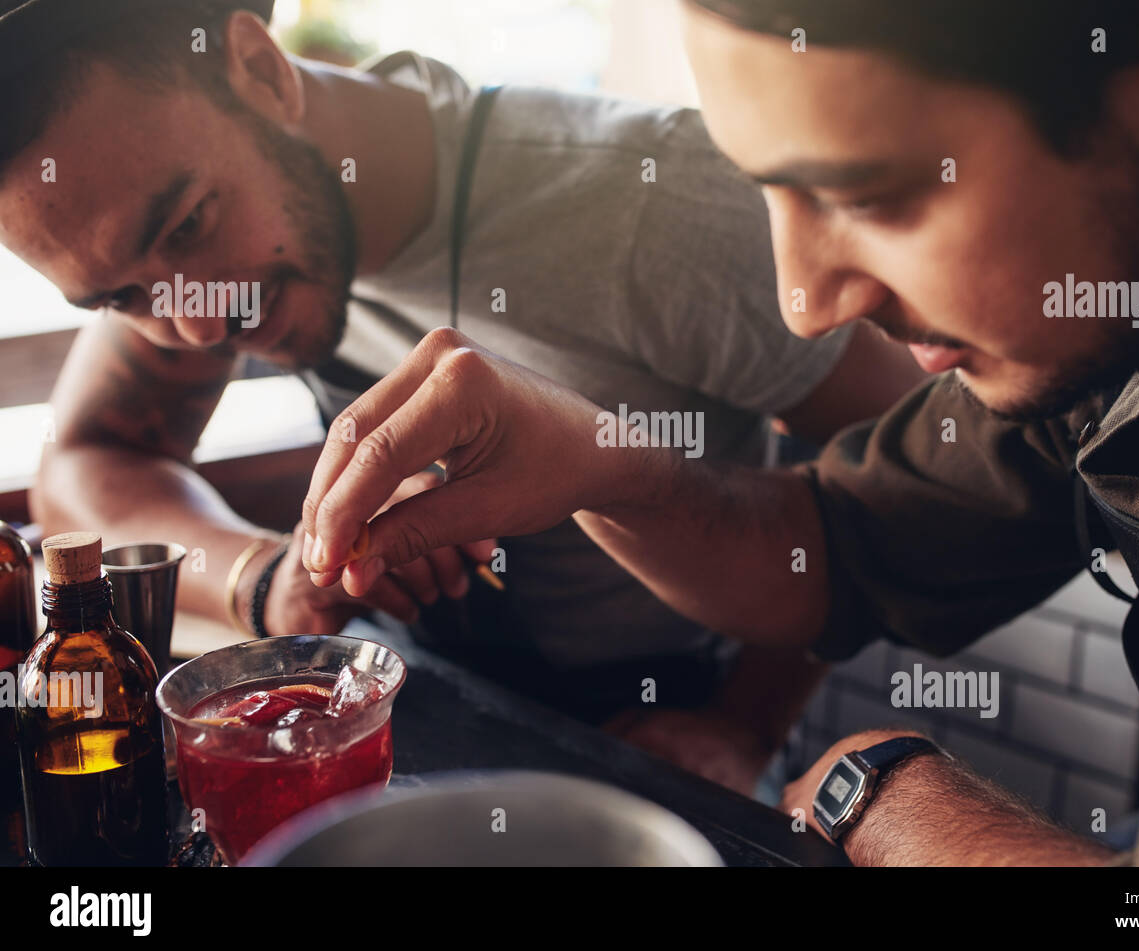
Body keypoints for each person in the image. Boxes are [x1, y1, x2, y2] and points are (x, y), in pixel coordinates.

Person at [296, 0, 1139, 865]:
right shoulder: (1113, 313)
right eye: (766, 190)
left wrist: (887, 794)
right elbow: (834, 548)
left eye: (864, 195)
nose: (804, 301)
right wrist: (602, 465)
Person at [0, 0, 926, 795]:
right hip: (429, 711)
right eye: (121, 297)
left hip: (665, 730)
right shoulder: (178, 249)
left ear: (258, 69)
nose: (194, 328)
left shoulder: (655, 208)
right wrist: (266, 578)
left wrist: (745, 723)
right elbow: (88, 464)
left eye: (191, 225)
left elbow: (924, 470)